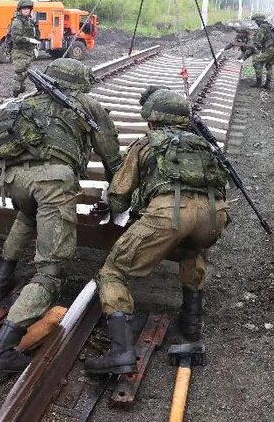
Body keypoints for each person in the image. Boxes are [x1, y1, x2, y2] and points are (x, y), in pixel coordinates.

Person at [0, 58, 122, 374]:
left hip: (12, 180)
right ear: (79, 82)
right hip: (54, 184)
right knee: (50, 270)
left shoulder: (27, 102)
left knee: (28, 215)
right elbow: (112, 156)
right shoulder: (86, 104)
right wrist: (119, 196)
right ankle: (1, 352)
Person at [84, 87, 229, 375]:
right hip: (214, 217)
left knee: (113, 272)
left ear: (152, 120)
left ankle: (121, 353)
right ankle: (191, 324)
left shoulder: (146, 144)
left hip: (168, 216)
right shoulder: (204, 147)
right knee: (192, 249)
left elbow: (119, 196)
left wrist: (122, 208)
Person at [8, 0, 40, 97]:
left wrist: (35, 47)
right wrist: (29, 40)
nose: (26, 10)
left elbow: (35, 35)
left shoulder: (29, 21)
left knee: (24, 74)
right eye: (24, 9)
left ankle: (19, 92)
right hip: (20, 51)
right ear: (20, 10)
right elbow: (16, 38)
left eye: (28, 9)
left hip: (28, 51)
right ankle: (15, 95)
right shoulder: (18, 22)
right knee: (19, 74)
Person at [252, 15, 274, 90]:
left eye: (256, 21)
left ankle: (258, 83)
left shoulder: (263, 27)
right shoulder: (269, 26)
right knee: (269, 65)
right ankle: (267, 84)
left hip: (270, 48)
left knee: (256, 62)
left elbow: (258, 40)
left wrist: (255, 44)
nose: (256, 23)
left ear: (259, 20)